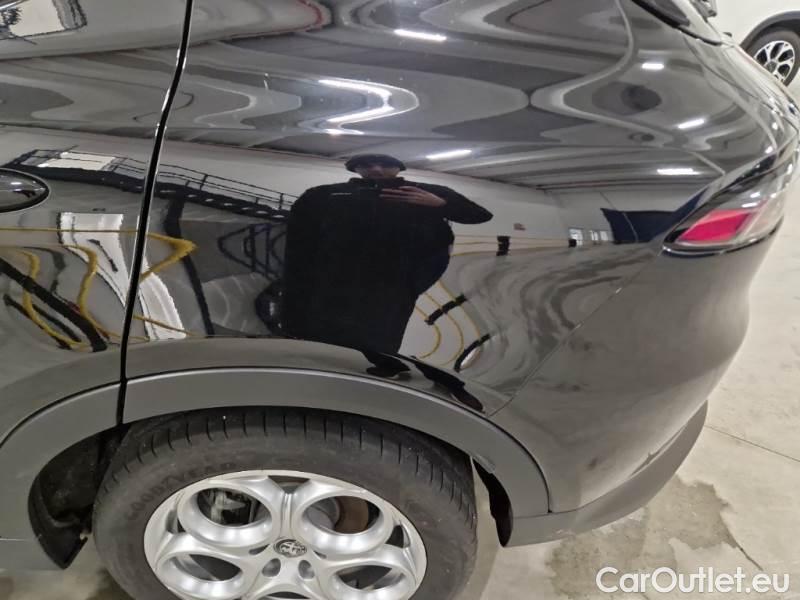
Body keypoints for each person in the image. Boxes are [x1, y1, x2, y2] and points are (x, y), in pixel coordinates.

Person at [282, 154, 492, 354]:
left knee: (379, 342)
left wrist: (442, 204)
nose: (376, 169)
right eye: (367, 164)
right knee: (322, 339)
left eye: (385, 164)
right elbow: (299, 241)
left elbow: (480, 215)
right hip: (332, 280)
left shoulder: (426, 191)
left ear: (398, 168)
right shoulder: (323, 195)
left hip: (394, 284)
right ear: (355, 168)